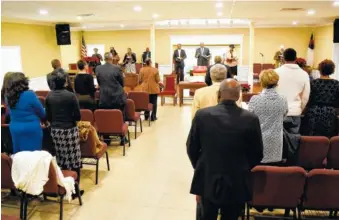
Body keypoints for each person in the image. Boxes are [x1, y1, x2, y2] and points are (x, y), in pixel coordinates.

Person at [187, 79, 263, 220]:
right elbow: (257, 152)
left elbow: (191, 147)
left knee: (207, 215)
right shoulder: (250, 119)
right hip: (237, 178)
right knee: (232, 216)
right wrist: (244, 166)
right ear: (238, 95)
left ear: (219, 94)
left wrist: (200, 165)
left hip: (208, 175)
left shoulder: (202, 115)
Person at [45, 72, 83, 184]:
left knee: (60, 157)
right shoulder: (71, 96)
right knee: (74, 159)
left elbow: (48, 116)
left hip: (55, 131)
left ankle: (62, 183)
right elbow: (78, 116)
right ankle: (75, 187)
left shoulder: (49, 96)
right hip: (69, 130)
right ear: (65, 82)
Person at [275, 48, 310, 163]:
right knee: (294, 141)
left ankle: (279, 164)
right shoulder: (304, 74)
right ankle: (292, 165)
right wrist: (301, 108)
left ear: (283, 58)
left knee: (278, 141)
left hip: (279, 111)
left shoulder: (276, 72)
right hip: (295, 111)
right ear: (295, 58)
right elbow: (306, 96)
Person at [248, 69, 288, 165]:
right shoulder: (283, 99)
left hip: (259, 139)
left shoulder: (254, 100)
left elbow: (249, 119)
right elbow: (284, 116)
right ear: (277, 82)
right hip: (276, 141)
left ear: (261, 82)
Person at [4, 72, 46, 153]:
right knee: (34, 157)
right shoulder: (30, 95)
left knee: (20, 156)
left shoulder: (7, 96)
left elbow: (10, 112)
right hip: (31, 129)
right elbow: (42, 113)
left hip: (15, 129)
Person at [301, 59, 339, 138]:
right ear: (332, 70)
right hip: (330, 113)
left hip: (313, 112)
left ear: (320, 69)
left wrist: (303, 111)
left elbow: (308, 99)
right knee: (328, 139)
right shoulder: (337, 84)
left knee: (312, 138)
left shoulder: (313, 83)